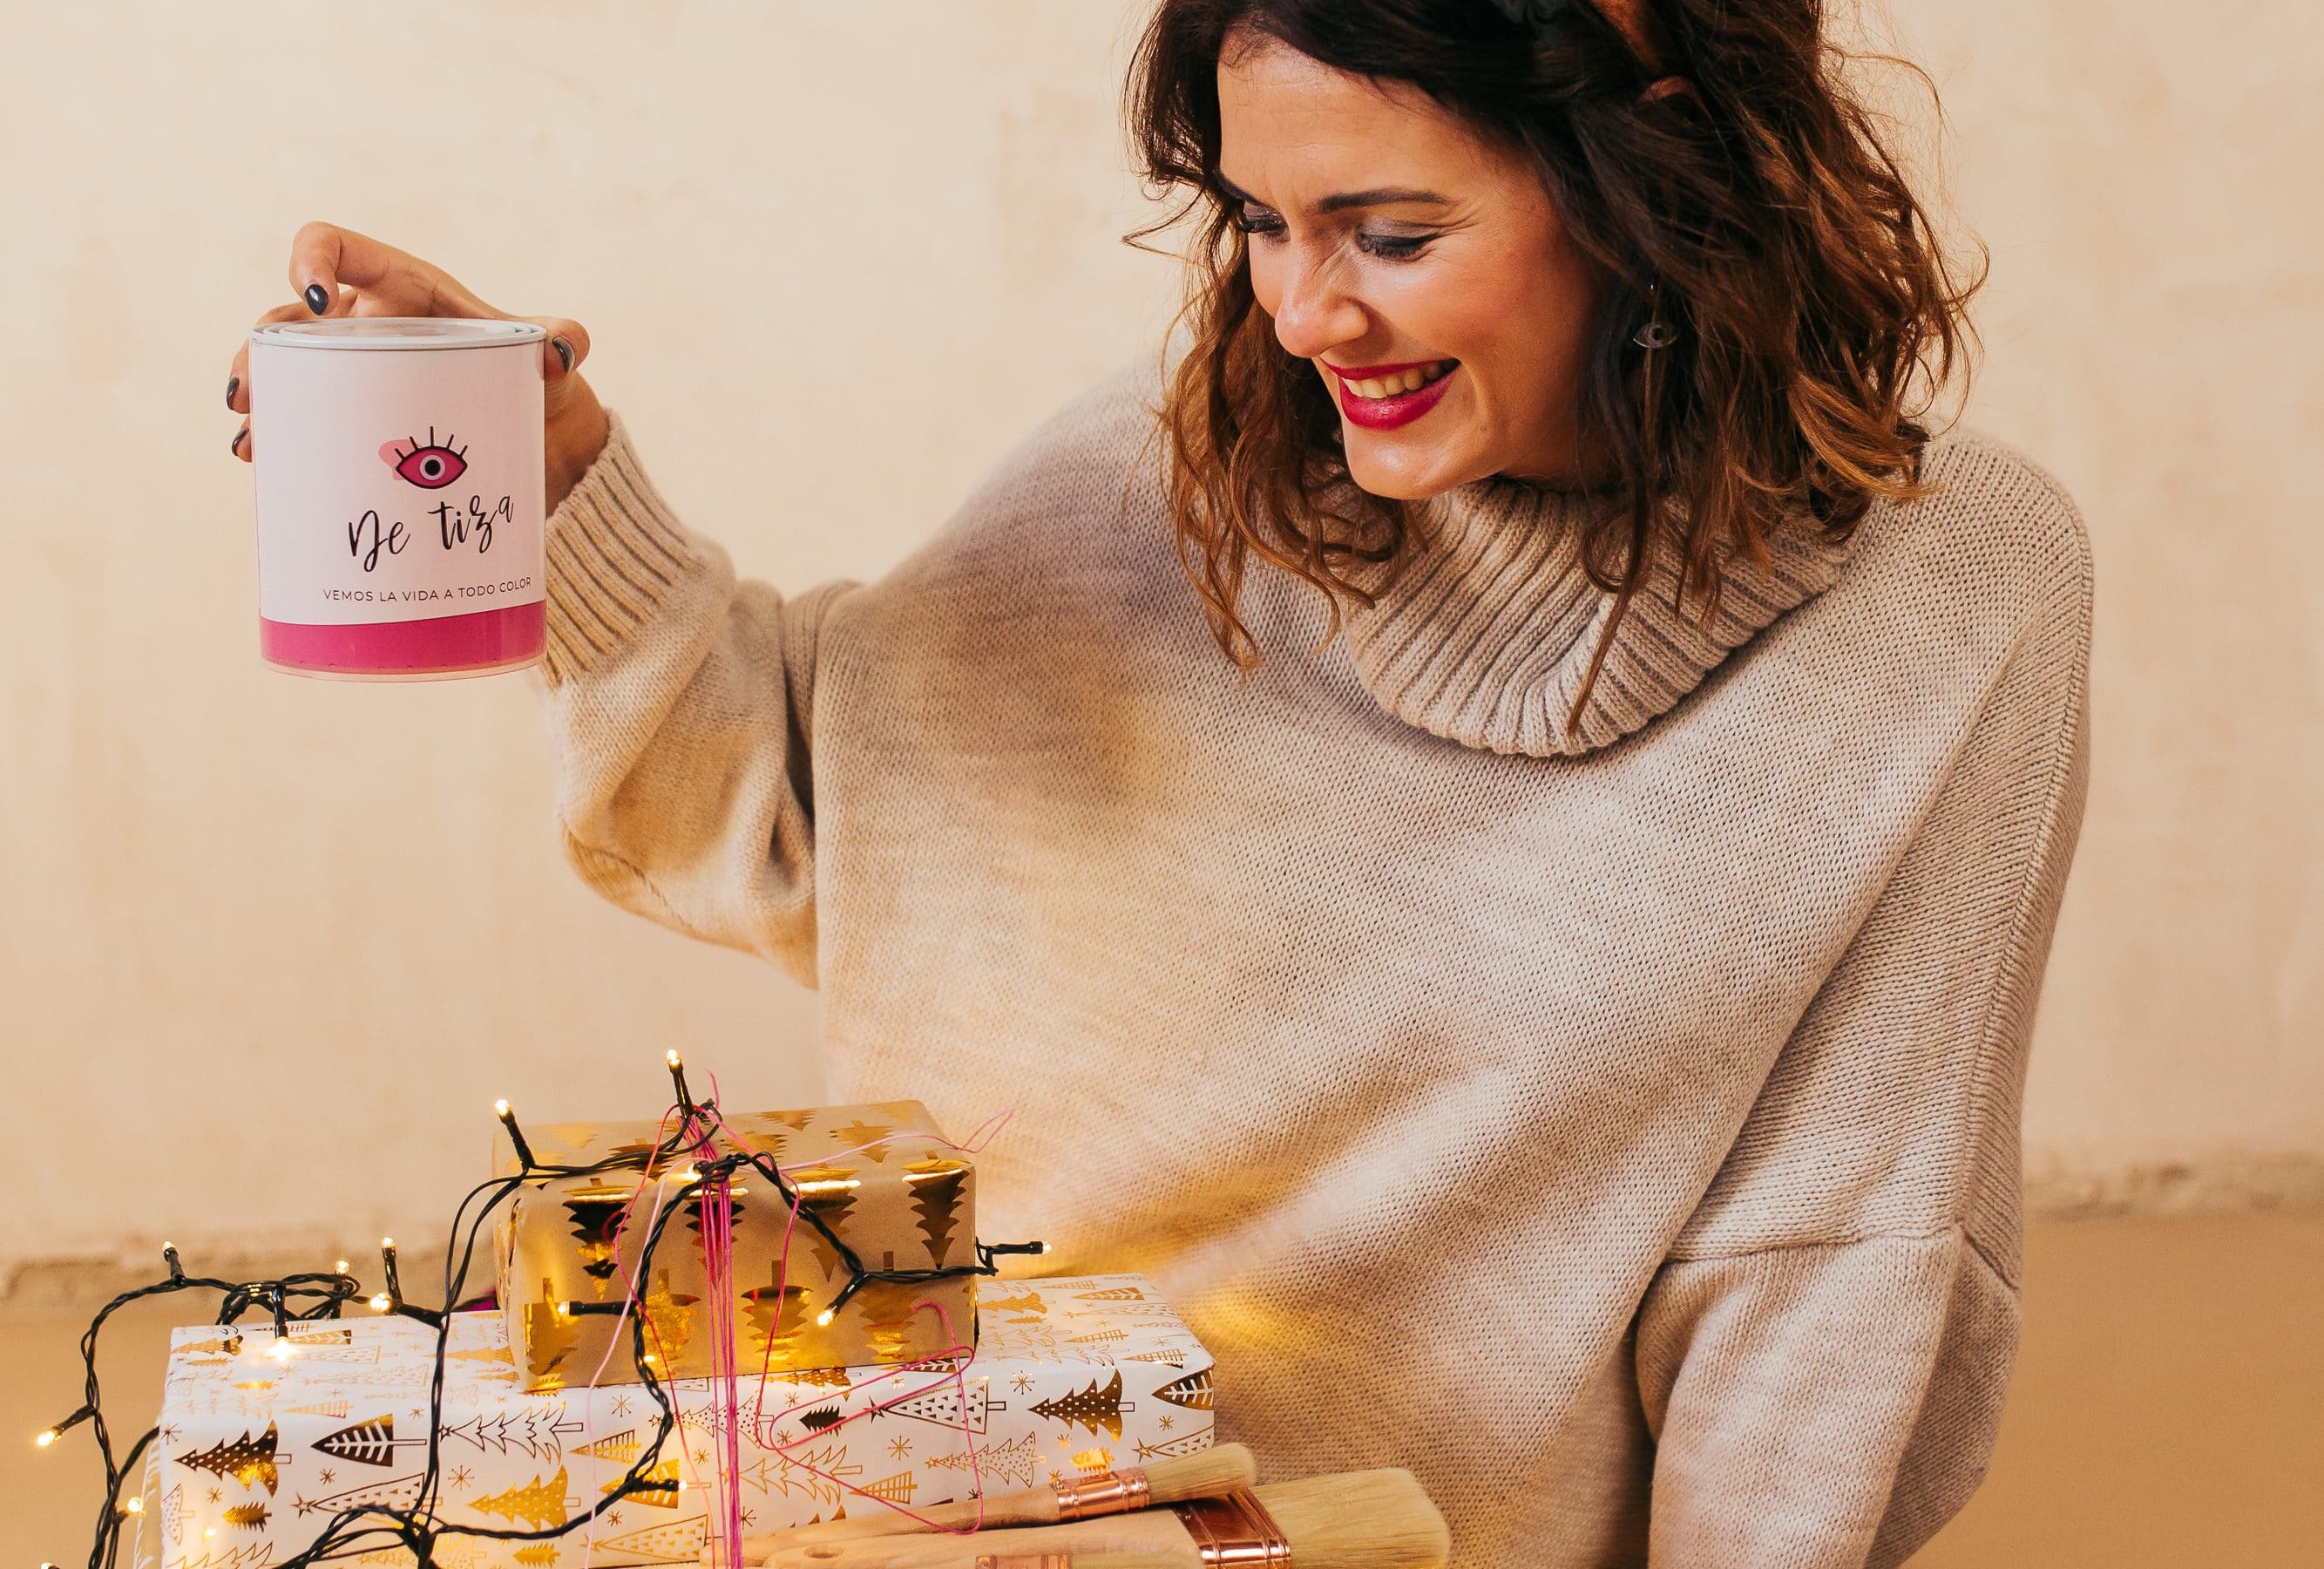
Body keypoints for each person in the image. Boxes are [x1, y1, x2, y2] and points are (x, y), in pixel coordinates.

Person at [223, 1, 2091, 1562]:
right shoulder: (1171, 465)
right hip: (942, 1500)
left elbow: (1832, 1251)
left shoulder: (1948, 590)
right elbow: (800, 816)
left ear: (1660, 184)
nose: (1304, 315)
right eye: (1261, 221)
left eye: (1391, 234)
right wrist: (551, 465)